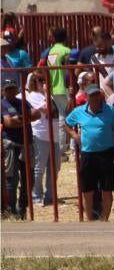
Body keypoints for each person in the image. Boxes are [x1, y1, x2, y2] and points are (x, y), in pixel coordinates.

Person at [62, 80, 114, 220]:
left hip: (107, 153)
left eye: (97, 94)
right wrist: (74, 135)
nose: (95, 97)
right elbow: (66, 124)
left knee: (107, 189)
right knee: (87, 190)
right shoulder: (79, 111)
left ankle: (104, 219)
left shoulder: (110, 111)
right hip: (88, 154)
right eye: (92, 95)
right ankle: (89, 219)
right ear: (86, 97)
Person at [23, 70, 59, 209]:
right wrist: (47, 95)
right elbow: (46, 109)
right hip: (40, 135)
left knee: (54, 167)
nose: (45, 83)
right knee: (40, 167)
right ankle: (36, 195)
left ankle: (50, 195)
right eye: (41, 81)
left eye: (45, 80)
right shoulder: (34, 96)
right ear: (34, 82)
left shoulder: (48, 95)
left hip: (53, 135)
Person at [0, 80, 28, 218]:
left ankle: (22, 209)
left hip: (25, 143)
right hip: (10, 144)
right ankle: (10, 209)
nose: (10, 91)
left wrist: (19, 118)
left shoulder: (22, 102)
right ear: (3, 91)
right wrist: (26, 119)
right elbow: (8, 122)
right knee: (11, 178)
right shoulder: (2, 104)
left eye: (12, 88)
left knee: (28, 178)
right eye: (7, 89)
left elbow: (36, 114)